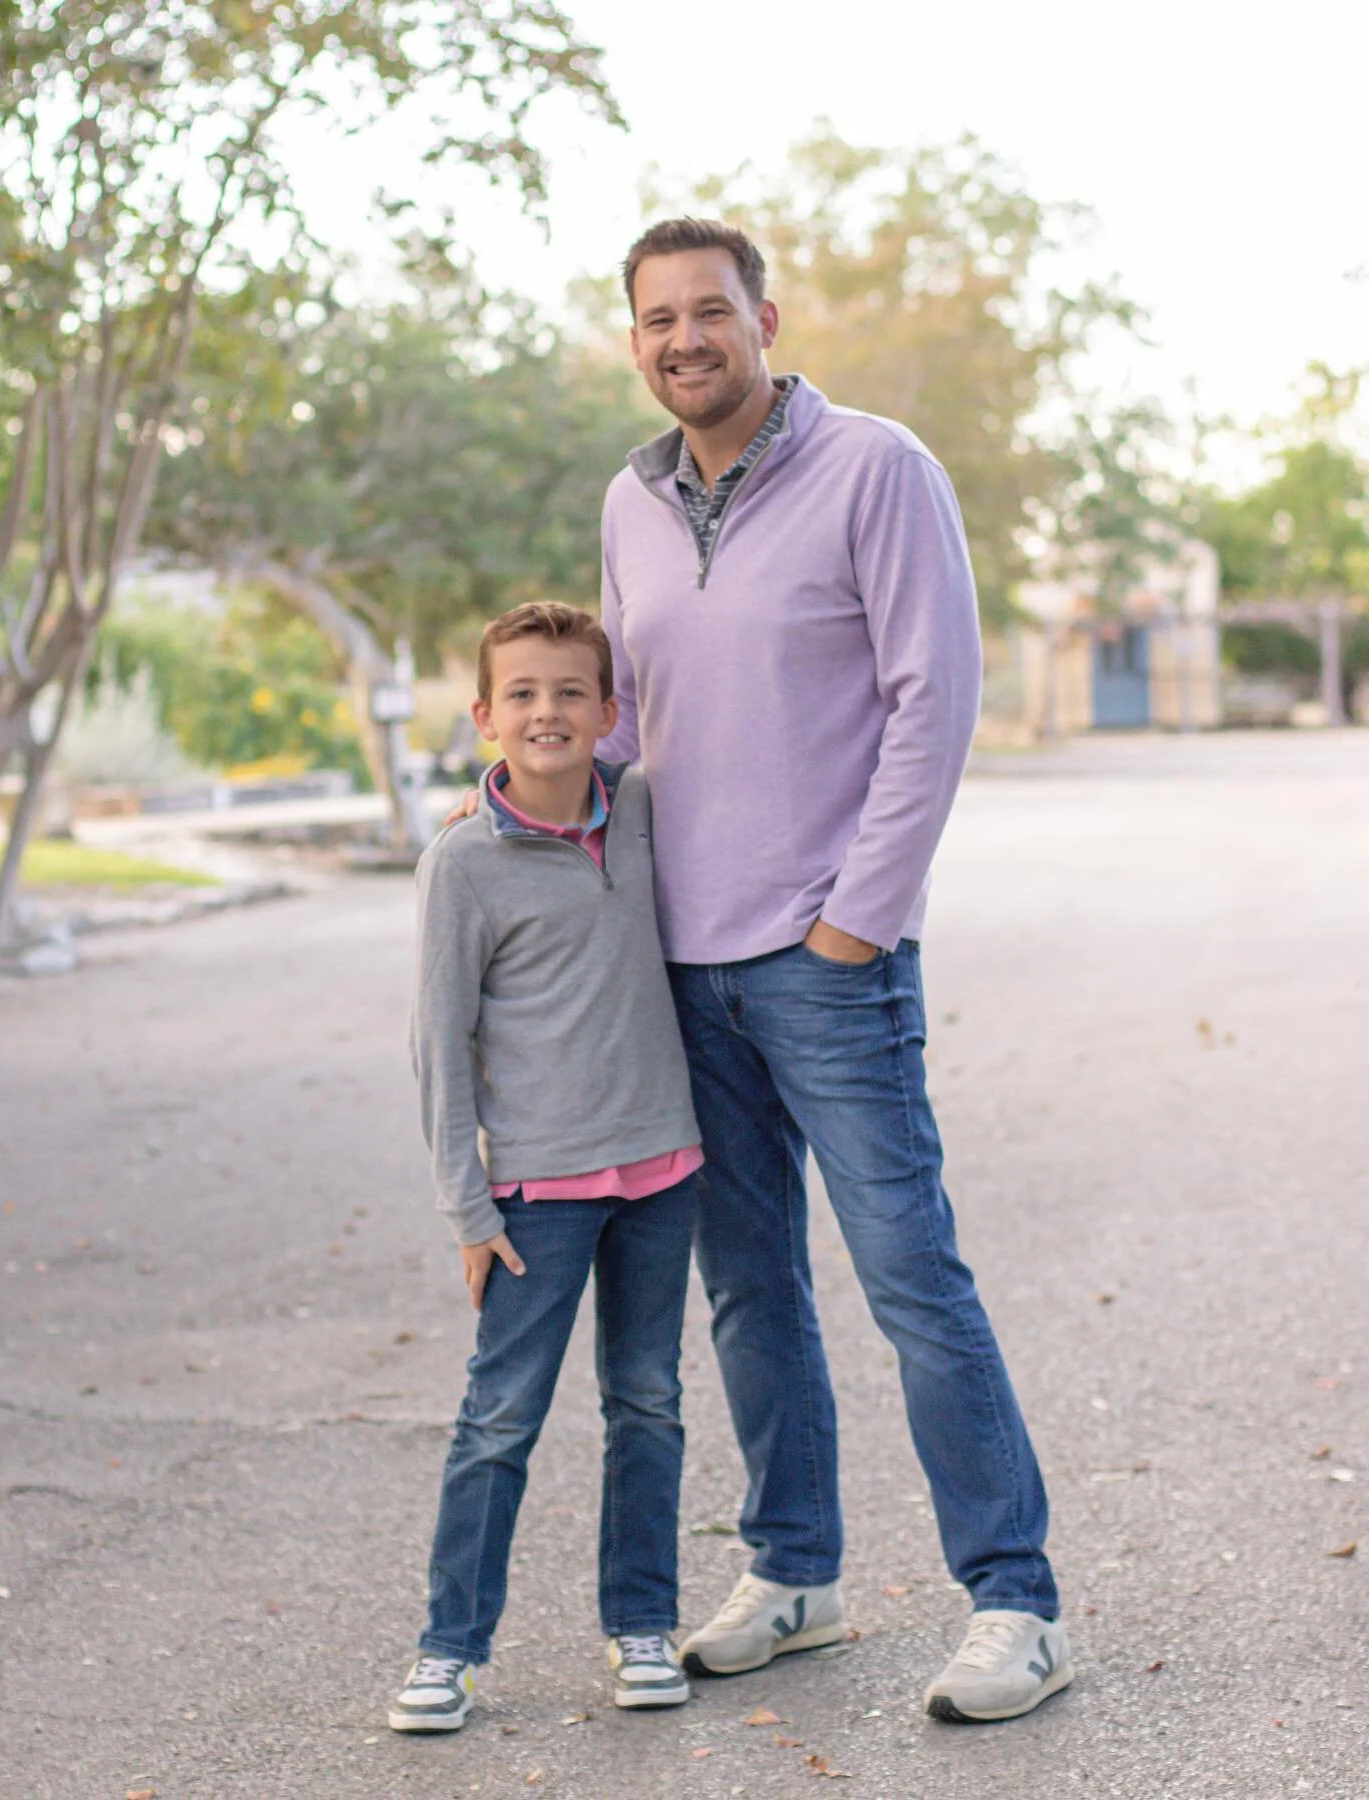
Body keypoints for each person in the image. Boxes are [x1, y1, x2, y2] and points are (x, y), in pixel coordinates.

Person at [602, 217, 1069, 1724]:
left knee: (910, 1278)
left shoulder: (879, 468)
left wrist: (858, 919)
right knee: (748, 1288)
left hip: (828, 961)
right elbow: (629, 716)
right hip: (683, 966)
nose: (686, 339)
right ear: (636, 342)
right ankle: (795, 1573)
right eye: (659, 319)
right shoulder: (628, 500)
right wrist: (529, 815)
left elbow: (937, 700)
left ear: (766, 320)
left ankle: (1016, 1603)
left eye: (710, 311)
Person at [390, 601, 704, 1733]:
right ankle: (449, 1650)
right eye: (521, 693)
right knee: (500, 1418)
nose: (547, 712)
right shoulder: (463, 863)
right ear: (485, 716)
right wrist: (467, 1209)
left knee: (649, 1404)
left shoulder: (646, 812)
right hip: (535, 1197)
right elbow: (440, 1044)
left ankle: (642, 1626)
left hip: (663, 1171)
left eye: (571, 692)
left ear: (609, 712)